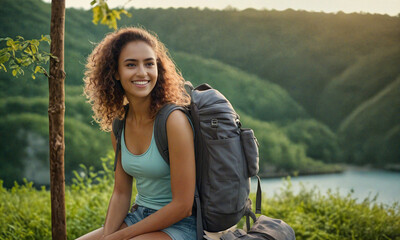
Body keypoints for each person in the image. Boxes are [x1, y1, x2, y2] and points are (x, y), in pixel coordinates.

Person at [77, 27, 196, 240]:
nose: (142, 72)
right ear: (115, 72)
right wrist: (109, 235)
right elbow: (121, 193)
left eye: (149, 64)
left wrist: (121, 237)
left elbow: (183, 206)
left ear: (158, 69)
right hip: (139, 216)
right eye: (131, 64)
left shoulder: (173, 121)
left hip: (181, 224)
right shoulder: (119, 124)